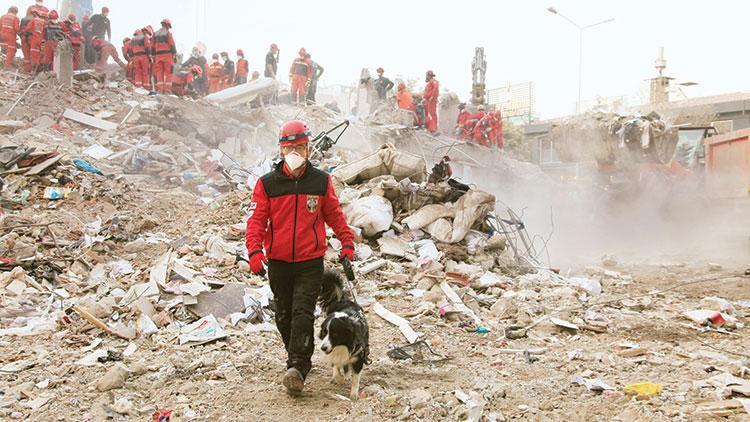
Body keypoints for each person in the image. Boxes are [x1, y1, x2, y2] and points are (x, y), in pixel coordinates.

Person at [245, 119, 355, 397]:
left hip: (309, 261)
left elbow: (334, 215)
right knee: (284, 315)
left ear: (309, 148)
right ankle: (298, 354)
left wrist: (347, 242)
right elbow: (257, 220)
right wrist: (255, 251)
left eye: (301, 147)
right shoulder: (268, 184)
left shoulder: (320, 181)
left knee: (303, 313)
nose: (295, 152)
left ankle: (297, 366)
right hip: (279, 262)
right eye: (290, 147)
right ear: (282, 150)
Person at [152, 19, 176, 93]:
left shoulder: (155, 34)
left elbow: (152, 46)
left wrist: (154, 56)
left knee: (159, 73)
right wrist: (174, 55)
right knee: (169, 73)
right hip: (167, 56)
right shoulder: (168, 33)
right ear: (168, 25)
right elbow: (172, 45)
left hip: (158, 57)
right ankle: (167, 90)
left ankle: (160, 89)